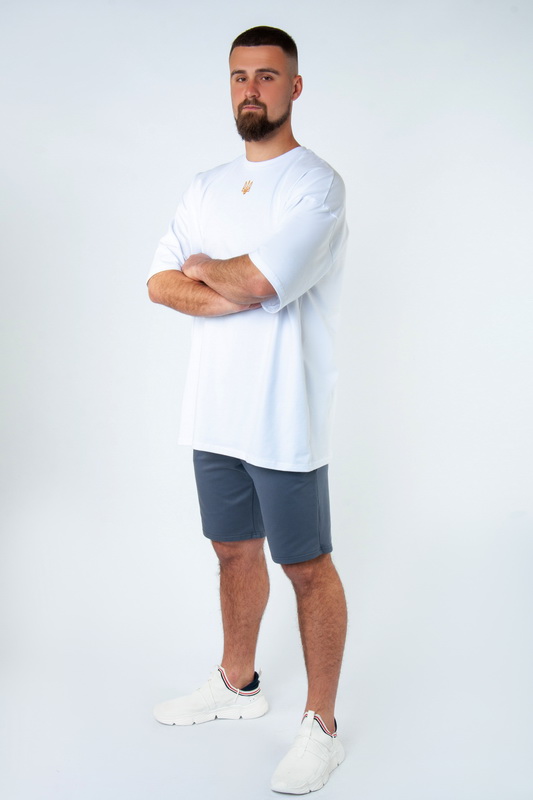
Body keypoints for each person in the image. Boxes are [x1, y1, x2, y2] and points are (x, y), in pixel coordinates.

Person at [147, 25, 348, 795]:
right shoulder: (204, 186)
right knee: (231, 550)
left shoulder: (315, 186)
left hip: (282, 416)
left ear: (293, 87)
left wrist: (216, 272)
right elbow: (159, 283)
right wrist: (230, 279)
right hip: (213, 410)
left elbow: (266, 281)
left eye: (266, 76)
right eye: (239, 76)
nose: (251, 90)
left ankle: (321, 726)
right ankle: (238, 683)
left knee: (305, 565)